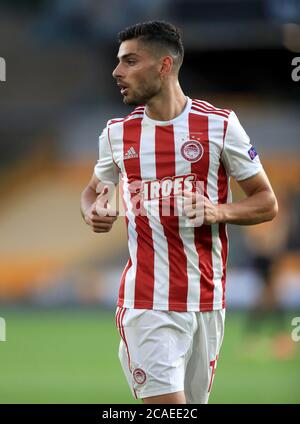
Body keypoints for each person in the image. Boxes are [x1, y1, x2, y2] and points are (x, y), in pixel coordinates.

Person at [80, 21, 278, 404]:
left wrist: (218, 211)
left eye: (129, 61)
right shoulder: (116, 134)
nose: (116, 72)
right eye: (118, 62)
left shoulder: (219, 126)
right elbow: (92, 192)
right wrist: (93, 212)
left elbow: (266, 202)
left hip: (207, 302)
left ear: (164, 66)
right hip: (146, 303)